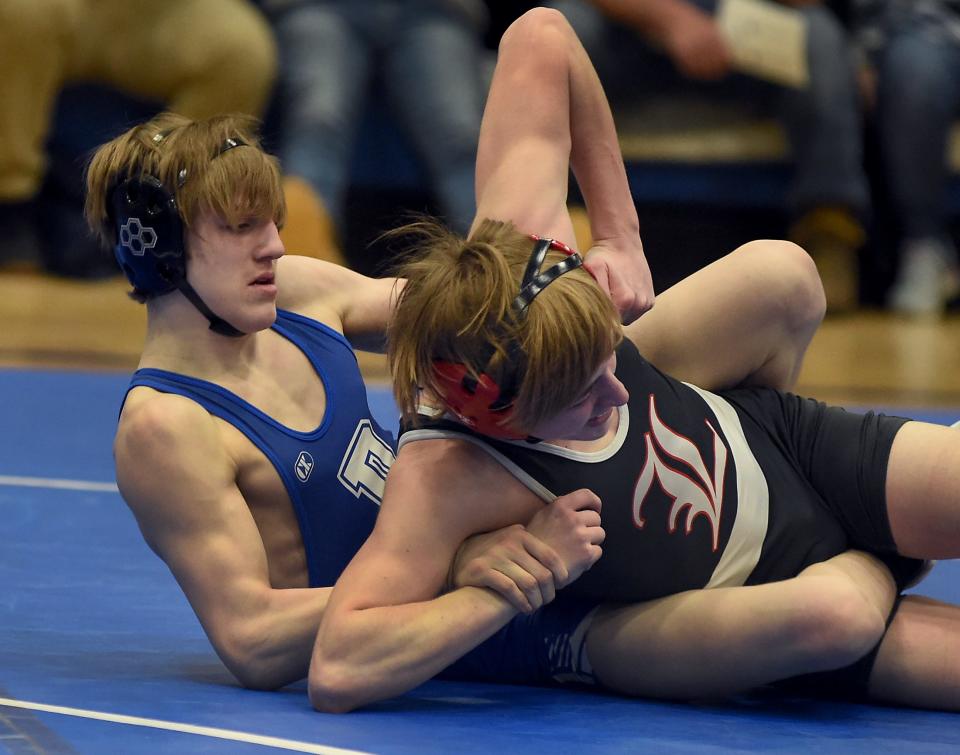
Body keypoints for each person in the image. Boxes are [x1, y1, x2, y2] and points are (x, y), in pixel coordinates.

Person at [82, 70, 828, 695]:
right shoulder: (166, 428)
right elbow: (251, 639)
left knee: (776, 281)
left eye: (270, 222)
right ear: (161, 250)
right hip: (482, 614)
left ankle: (779, 464)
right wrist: (459, 574)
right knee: (819, 618)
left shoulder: (297, 297)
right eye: (241, 229)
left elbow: (466, 314)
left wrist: (560, 280)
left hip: (494, 497)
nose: (274, 245)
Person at [312, 7, 960, 714]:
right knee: (836, 613)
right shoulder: (444, 478)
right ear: (507, 418)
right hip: (748, 598)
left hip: (784, 450)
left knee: (788, 278)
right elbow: (339, 666)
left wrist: (618, 231)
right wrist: (500, 589)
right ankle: (869, 561)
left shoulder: (522, 247)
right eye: (585, 398)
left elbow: (541, 33)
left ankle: (875, 551)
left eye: (610, 361)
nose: (620, 395)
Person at [542, 0, 869, 313]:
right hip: (630, 30)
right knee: (559, 30)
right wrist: (673, 19)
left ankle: (828, 235)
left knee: (819, 36)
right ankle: (561, 241)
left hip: (744, 27)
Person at [0, 0, 276, 276]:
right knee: (18, 11)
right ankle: (11, 209)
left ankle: (165, 209)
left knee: (241, 53)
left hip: (163, 11)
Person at [258, 0, 492, 265]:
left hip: (435, 9)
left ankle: (498, 277)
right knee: (318, 121)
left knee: (461, 134)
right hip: (320, 6)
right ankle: (297, 275)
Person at [851, 0, 960, 315]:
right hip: (877, 43)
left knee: (915, 65)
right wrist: (857, 59)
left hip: (937, 36)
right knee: (912, 66)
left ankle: (925, 248)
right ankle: (920, 248)